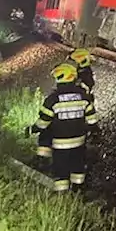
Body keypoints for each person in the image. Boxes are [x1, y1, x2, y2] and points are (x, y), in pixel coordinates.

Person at [29, 62, 98, 192]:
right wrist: (95, 132)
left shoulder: (53, 99)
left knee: (61, 170)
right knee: (78, 168)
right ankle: (78, 192)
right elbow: (92, 119)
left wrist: (31, 129)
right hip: (79, 143)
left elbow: (43, 123)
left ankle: (62, 196)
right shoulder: (84, 97)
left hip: (60, 144)